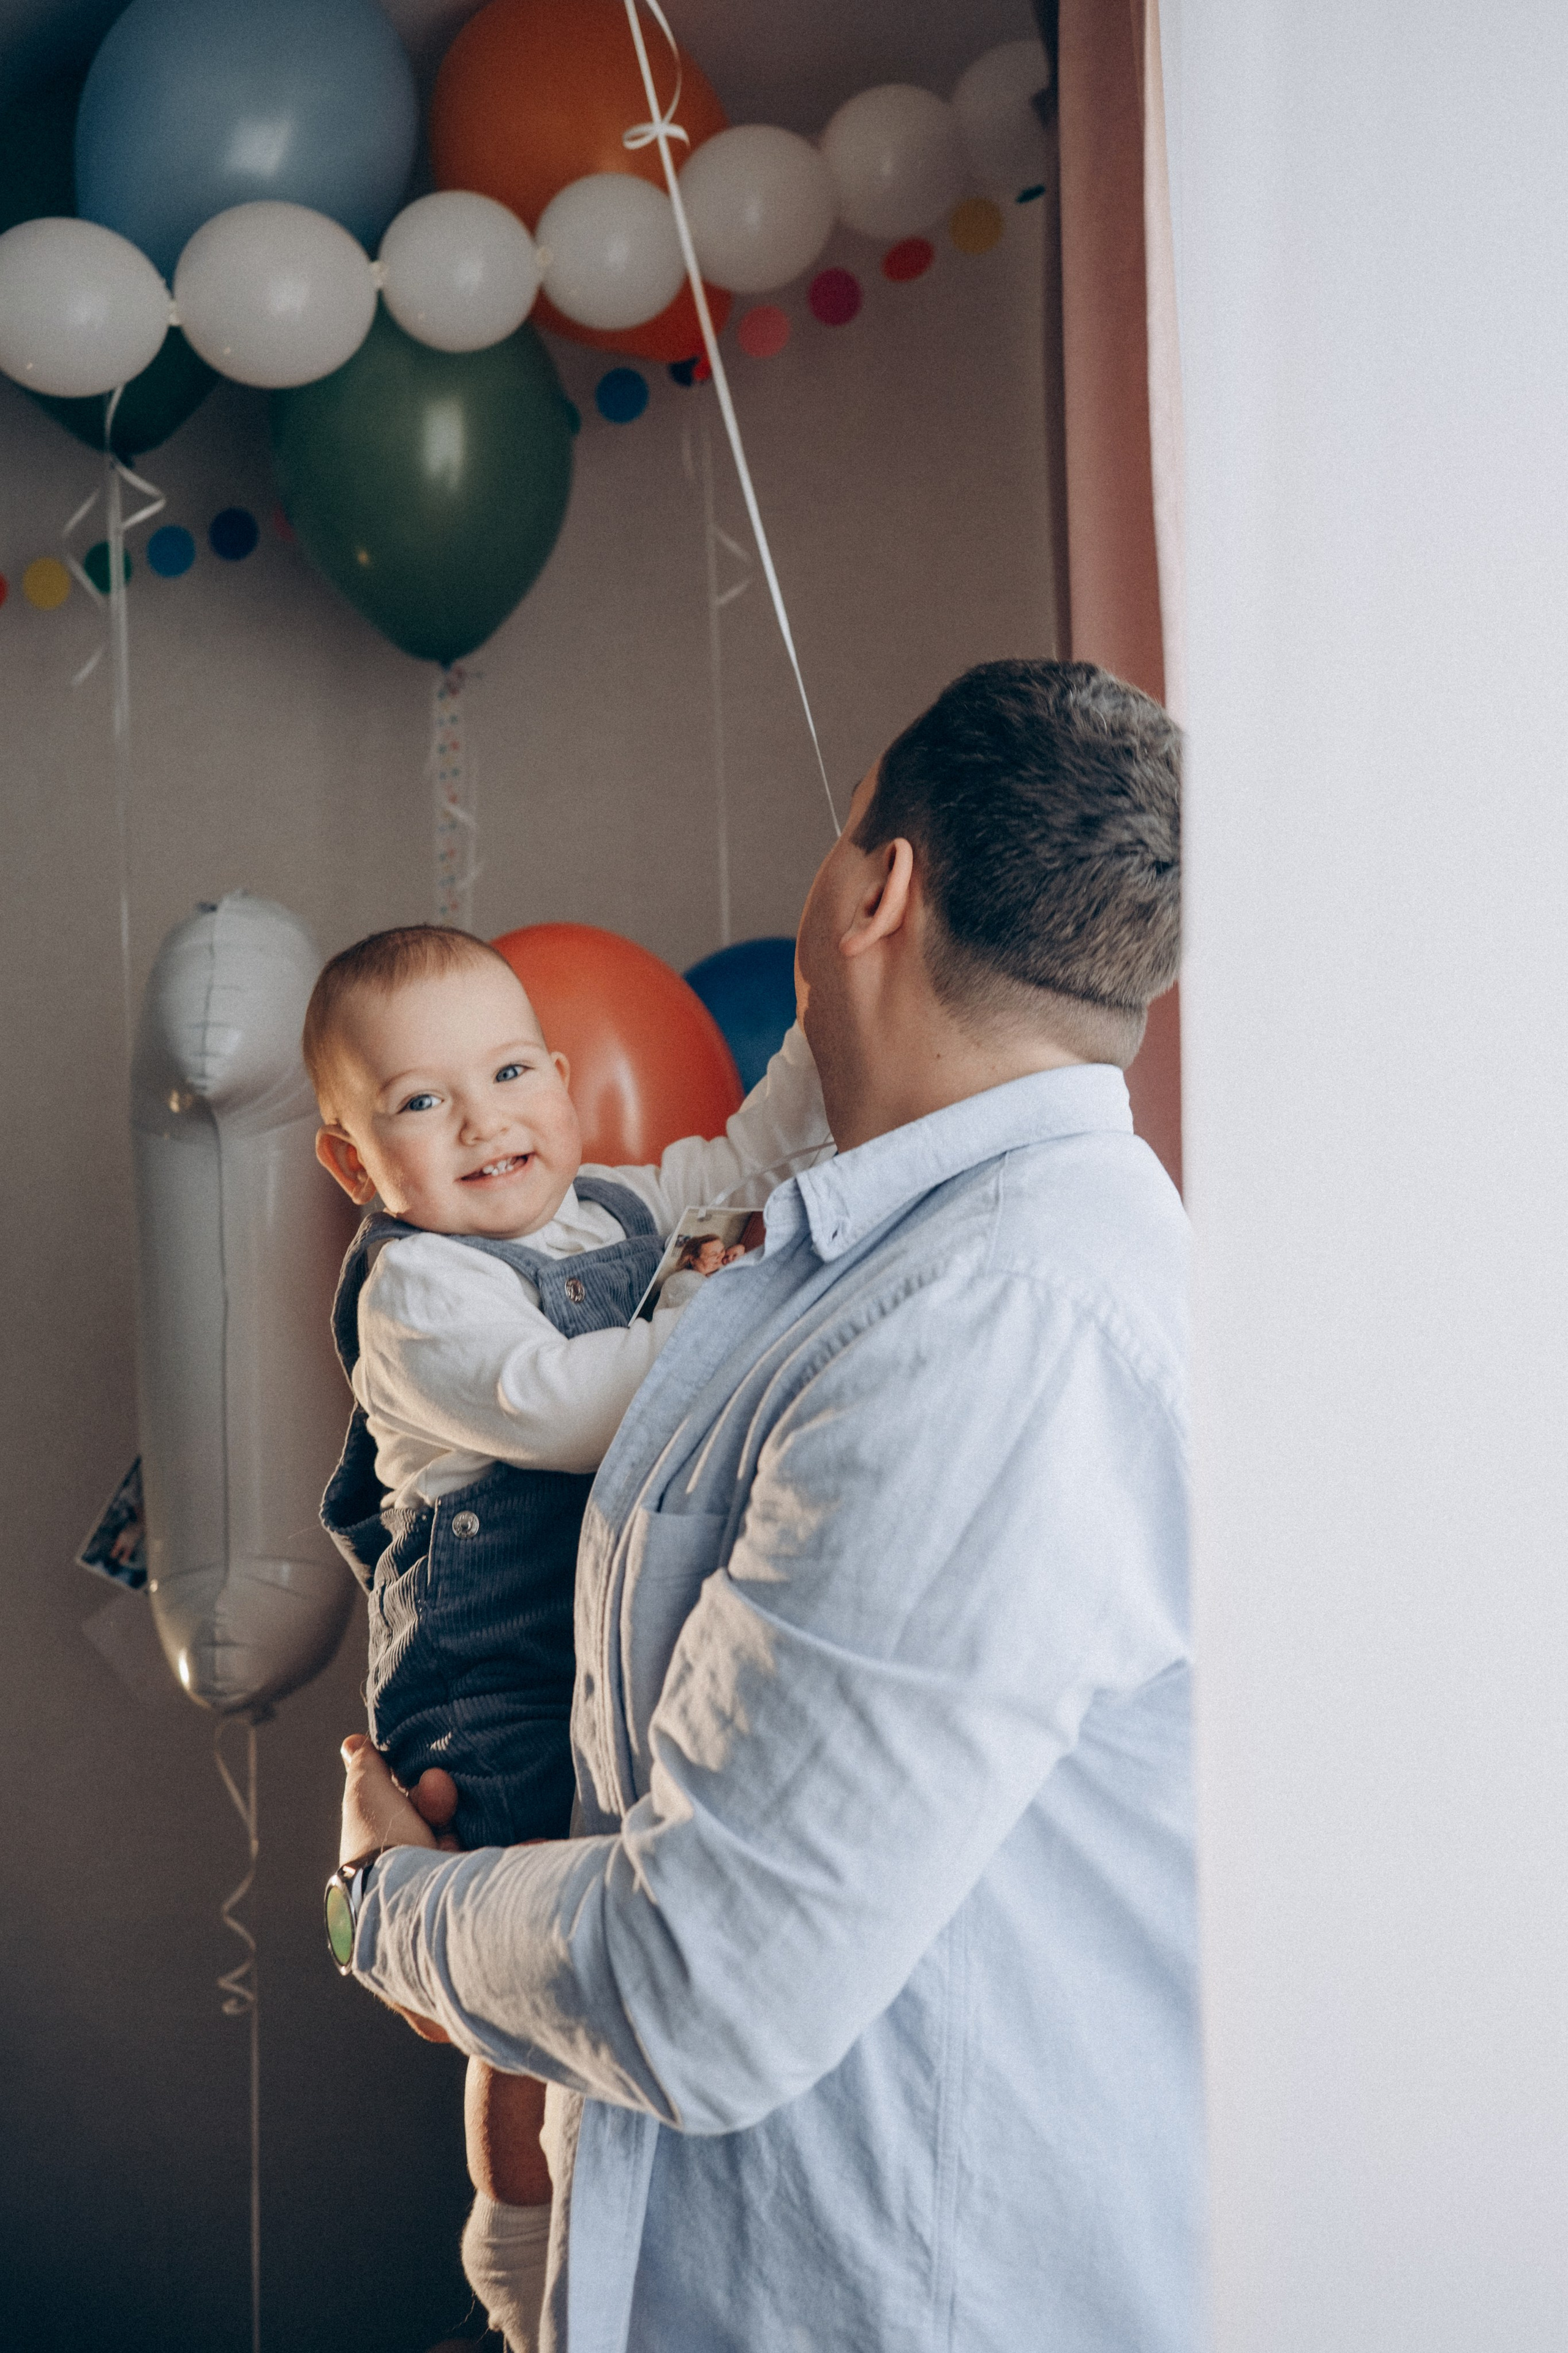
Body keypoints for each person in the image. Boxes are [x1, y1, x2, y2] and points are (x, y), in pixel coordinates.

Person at [335, 659, 1196, 2353]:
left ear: (875, 885)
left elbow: (701, 1990)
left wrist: (387, 1909)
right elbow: (788, 1120)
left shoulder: (992, 1319)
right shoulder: (903, 1252)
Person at [302, 926, 829, 2345]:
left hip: (589, 1657)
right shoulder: (418, 1290)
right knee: (518, 1998)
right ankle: (514, 2238)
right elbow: (574, 1404)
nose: (484, 1120)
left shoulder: (601, 1212)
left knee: (586, 1957)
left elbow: (744, 1156)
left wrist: (825, 1019)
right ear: (354, 1164)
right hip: (490, 1687)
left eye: (510, 1069)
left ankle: (561, 2235)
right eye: (420, 1102)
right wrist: (739, 1302)